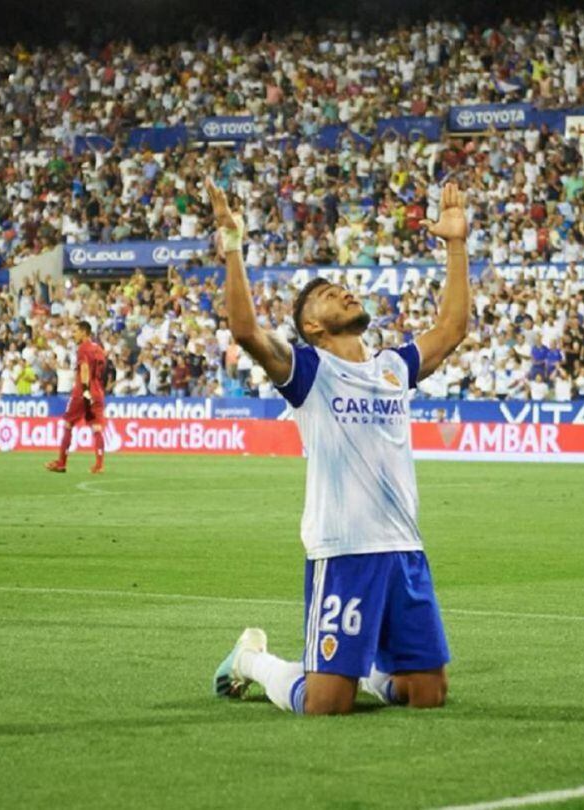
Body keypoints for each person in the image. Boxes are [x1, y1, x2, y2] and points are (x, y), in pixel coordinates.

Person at [207, 177, 467, 715]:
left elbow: (452, 327)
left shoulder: (393, 368)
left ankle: (367, 668)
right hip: (344, 551)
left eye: (344, 290)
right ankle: (251, 659)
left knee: (428, 694)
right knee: (326, 705)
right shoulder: (309, 372)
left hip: (403, 550)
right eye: (330, 296)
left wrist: (456, 244)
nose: (346, 293)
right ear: (312, 326)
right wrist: (233, 247)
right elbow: (244, 329)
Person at [46, 320, 108, 474]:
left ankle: (61, 462)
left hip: (83, 392)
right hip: (98, 392)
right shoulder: (99, 349)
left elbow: (85, 369)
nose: (73, 334)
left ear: (84, 332)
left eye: (75, 331)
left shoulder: (83, 349)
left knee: (68, 424)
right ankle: (99, 465)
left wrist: (86, 390)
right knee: (97, 428)